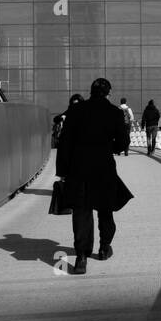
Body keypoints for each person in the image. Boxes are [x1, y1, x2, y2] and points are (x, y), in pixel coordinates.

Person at [55, 78, 131, 273]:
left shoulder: (75, 111)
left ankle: (81, 257)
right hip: (103, 168)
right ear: (109, 93)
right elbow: (123, 143)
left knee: (82, 212)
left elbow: (64, 143)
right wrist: (108, 148)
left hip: (78, 168)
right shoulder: (115, 112)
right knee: (105, 209)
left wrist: (62, 172)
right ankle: (104, 248)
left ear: (90, 92)